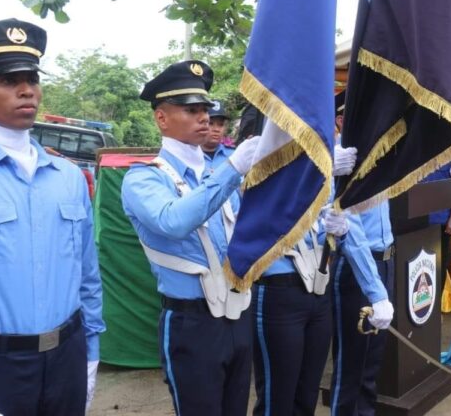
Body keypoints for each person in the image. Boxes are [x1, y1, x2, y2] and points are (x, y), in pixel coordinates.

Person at [121, 60, 261, 415]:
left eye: (204, 108)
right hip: (191, 322)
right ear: (162, 118)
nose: (203, 117)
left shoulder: (220, 173)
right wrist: (232, 171)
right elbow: (174, 220)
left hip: (236, 312)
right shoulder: (144, 178)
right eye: (190, 110)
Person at [0, 18, 105, 415]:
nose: (26, 90)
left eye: (32, 78)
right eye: (7, 80)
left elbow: (87, 275)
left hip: (66, 358)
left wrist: (90, 354)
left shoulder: (68, 177)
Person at [251, 118, 357, 416]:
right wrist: (316, 167)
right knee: (277, 396)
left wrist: (335, 228)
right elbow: (269, 219)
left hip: (316, 288)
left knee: (307, 392)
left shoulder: (312, 176)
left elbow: (311, 230)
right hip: (278, 290)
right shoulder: (260, 168)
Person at [330, 95, 395, 416]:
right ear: (342, 119)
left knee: (372, 362)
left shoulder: (377, 152)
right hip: (357, 268)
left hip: (385, 259)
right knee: (351, 363)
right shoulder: (339, 159)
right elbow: (350, 230)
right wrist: (376, 290)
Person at [420, 158, 451, 298]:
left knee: (438, 266)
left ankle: (436, 308)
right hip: (415, 222)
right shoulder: (416, 151)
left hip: (441, 222)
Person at [202, 99, 234, 169]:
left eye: (221, 125)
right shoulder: (189, 156)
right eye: (210, 123)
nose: (216, 129)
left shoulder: (234, 156)